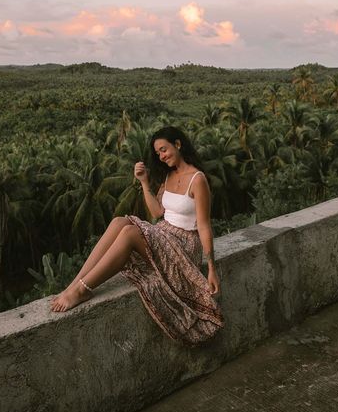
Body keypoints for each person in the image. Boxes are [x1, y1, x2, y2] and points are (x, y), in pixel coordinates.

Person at [50, 126, 224, 346]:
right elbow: (157, 213)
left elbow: (205, 226)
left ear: (178, 144)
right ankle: (74, 285)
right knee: (119, 221)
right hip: (164, 234)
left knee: (130, 232)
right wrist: (143, 182)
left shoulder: (197, 179)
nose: (162, 156)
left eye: (164, 149)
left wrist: (211, 268)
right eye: (158, 153)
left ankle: (83, 289)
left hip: (185, 245)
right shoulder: (169, 175)